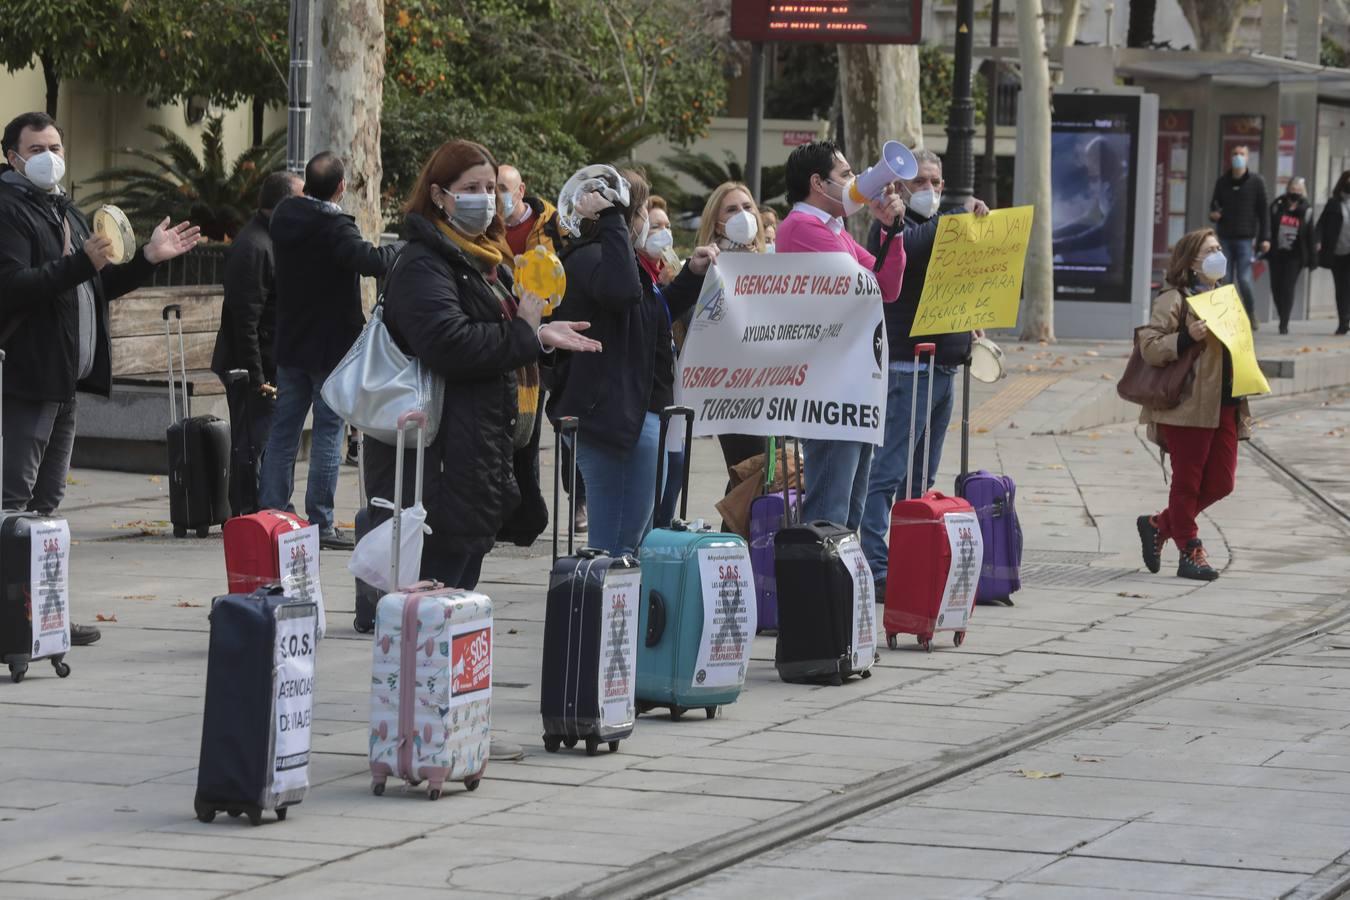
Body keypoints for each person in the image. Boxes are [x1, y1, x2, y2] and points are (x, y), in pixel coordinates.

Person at [368, 139, 600, 763]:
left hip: (477, 452)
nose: (484, 198)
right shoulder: (424, 264)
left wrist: (537, 334)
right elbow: (450, 344)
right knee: (438, 596)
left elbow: (496, 337)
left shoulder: (480, 258)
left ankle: (450, 728)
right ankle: (429, 731)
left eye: (490, 187)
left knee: (455, 597)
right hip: (439, 460)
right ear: (438, 195)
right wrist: (524, 330)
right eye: (469, 187)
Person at [0, 111, 200, 647]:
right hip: (26, 378)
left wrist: (149, 260)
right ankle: (10, 619)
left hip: (65, 381)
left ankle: (44, 616)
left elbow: (93, 286)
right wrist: (81, 266)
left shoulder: (65, 210)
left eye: (57, 145)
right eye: (38, 147)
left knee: (46, 509)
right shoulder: (8, 210)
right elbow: (14, 286)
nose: (51, 155)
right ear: (12, 157)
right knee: (12, 505)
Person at [550, 167, 719, 555]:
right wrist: (613, 219)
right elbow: (623, 293)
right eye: (640, 210)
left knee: (633, 541)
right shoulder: (592, 258)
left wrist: (692, 275)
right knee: (615, 548)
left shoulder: (623, 264)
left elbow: (651, 318)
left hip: (638, 418)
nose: (646, 220)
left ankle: (618, 615)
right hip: (615, 423)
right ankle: (601, 615)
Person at [860, 149, 989, 600]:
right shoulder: (892, 228)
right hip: (906, 367)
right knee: (888, 472)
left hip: (944, 368)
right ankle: (875, 565)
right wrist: (958, 217)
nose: (930, 191)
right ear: (899, 186)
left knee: (920, 477)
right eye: (921, 182)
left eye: (937, 182)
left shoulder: (943, 229)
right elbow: (910, 254)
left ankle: (908, 554)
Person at [260, 152, 402, 549]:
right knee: (328, 433)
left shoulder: (285, 217)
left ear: (306, 185)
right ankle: (320, 521)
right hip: (330, 351)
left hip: (291, 345)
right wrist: (401, 249)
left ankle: (270, 513)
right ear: (341, 188)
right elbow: (371, 260)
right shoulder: (336, 228)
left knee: (284, 432)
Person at [775, 140, 906, 531]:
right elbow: (862, 283)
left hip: (853, 384)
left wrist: (892, 230)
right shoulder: (800, 227)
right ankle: (819, 589)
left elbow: (887, 287)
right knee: (830, 509)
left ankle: (839, 588)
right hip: (830, 387)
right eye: (846, 175)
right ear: (818, 183)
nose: (854, 182)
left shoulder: (836, 230)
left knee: (851, 507)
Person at [1136, 228, 1252, 581]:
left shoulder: (1226, 297)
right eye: (1210, 250)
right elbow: (1150, 346)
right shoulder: (1174, 298)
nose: (1218, 255)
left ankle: (1159, 524)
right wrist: (1188, 337)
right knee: (1187, 483)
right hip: (1187, 405)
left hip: (1226, 403)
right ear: (1192, 261)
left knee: (1221, 482)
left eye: (1219, 248)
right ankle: (1190, 550)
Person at [211, 171, 303, 516]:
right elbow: (245, 319)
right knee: (252, 445)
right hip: (252, 367)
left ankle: (267, 508)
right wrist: (257, 375)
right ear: (284, 203)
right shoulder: (254, 246)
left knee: (266, 443)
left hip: (269, 362)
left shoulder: (272, 239)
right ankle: (249, 513)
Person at [691, 182, 771, 521]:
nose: (743, 215)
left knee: (766, 476)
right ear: (716, 221)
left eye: (747, 207)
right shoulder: (706, 265)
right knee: (746, 473)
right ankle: (732, 553)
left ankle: (747, 556)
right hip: (731, 389)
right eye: (731, 210)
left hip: (772, 385)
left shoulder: (772, 261)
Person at [642, 196, 685, 527]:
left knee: (675, 472)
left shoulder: (668, 276)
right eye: (655, 226)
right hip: (650, 398)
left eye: (667, 226)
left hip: (673, 393)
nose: (663, 233)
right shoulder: (642, 278)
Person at [1209, 145, 1269, 329]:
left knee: (1244, 279)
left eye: (1242, 154)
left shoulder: (1256, 182)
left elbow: (1263, 212)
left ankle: (1250, 313)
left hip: (1245, 238)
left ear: (1248, 158)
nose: (1238, 157)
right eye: (1235, 153)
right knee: (1225, 279)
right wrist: (1213, 214)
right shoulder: (1222, 182)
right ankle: (1228, 317)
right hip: (1225, 236)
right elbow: (1214, 205)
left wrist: (1264, 239)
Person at [1265, 176, 1316, 335]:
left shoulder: (1306, 210)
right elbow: (1269, 227)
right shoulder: (1277, 205)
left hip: (1295, 255)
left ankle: (1284, 323)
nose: (1295, 193)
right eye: (1293, 190)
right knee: (1276, 287)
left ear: (1303, 192)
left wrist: (1313, 258)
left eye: (1299, 190)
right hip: (1277, 253)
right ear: (1288, 190)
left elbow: (1310, 235)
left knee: (1287, 287)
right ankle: (1282, 314)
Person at [498, 163, 563, 257]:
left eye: (502, 189)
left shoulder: (553, 220)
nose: (497, 196)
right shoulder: (488, 231)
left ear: (521, 190)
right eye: (492, 189)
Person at [1315, 169, 1350, 336]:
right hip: (1337, 252)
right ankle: (1343, 322)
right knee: (1341, 288)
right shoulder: (1334, 203)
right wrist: (1318, 240)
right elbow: (1321, 224)